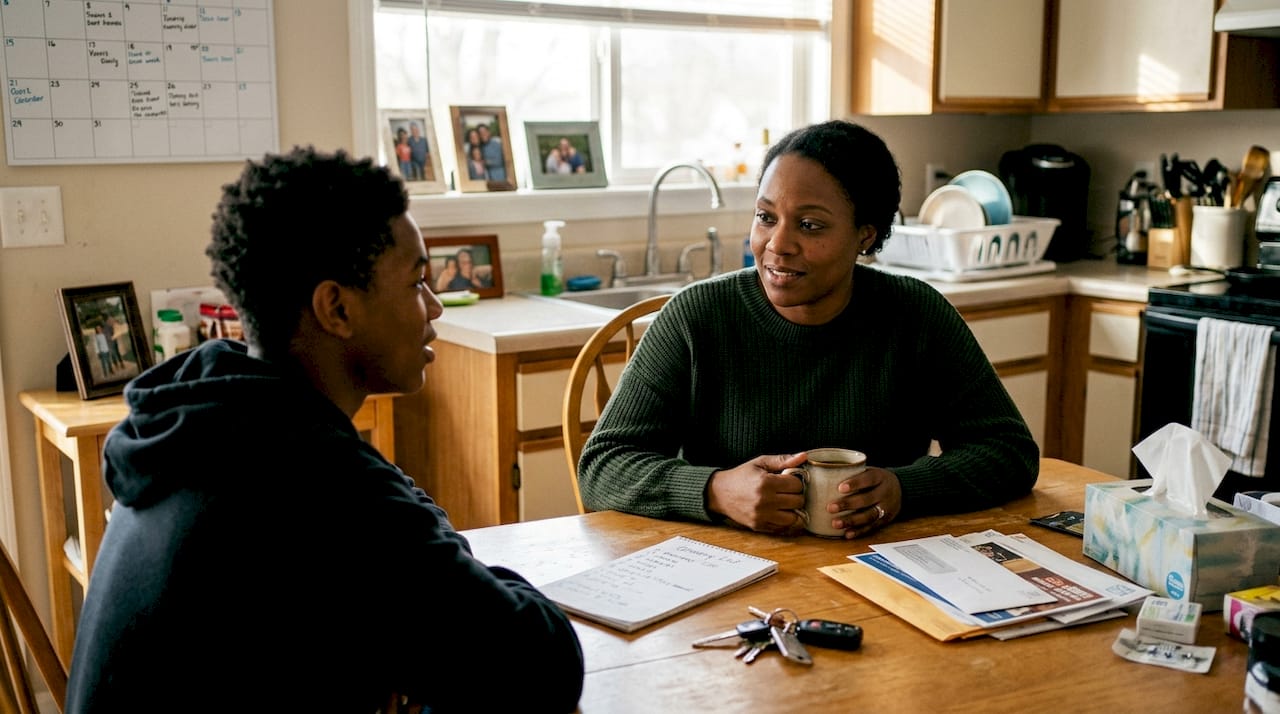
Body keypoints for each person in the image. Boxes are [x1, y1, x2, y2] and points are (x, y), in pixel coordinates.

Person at [65, 146, 585, 712]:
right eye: (415, 284)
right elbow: (543, 662)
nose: (434, 308)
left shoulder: (205, 419)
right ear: (336, 308)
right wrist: (450, 554)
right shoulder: (315, 481)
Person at [577, 120, 1038, 539]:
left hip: (877, 572)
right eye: (765, 217)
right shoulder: (695, 318)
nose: (777, 245)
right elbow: (602, 466)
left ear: (865, 235)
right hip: (725, 579)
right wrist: (716, 490)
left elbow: (1009, 451)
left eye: (810, 225)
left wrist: (905, 488)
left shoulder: (915, 315)